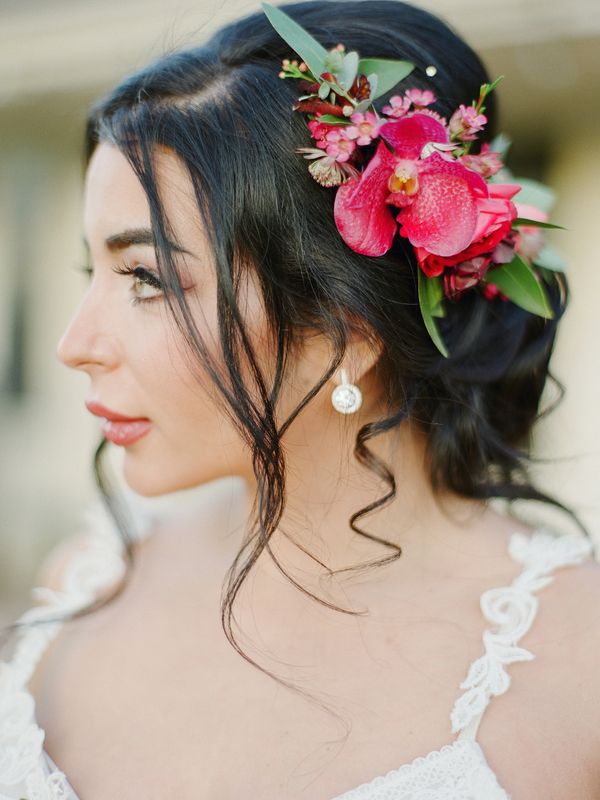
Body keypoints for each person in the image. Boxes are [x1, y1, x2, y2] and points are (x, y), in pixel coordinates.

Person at [1, 1, 599, 798]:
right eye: (93, 275)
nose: (72, 346)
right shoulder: (85, 582)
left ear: (346, 328)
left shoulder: (577, 665)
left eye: (146, 279)